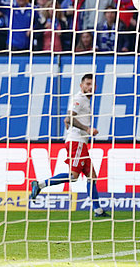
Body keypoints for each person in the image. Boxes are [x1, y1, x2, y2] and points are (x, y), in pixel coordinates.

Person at [31, 74, 109, 218]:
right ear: (81, 85)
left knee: (92, 176)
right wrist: (87, 129)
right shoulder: (80, 98)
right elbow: (70, 117)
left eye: (92, 84)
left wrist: (68, 121)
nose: (90, 87)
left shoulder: (84, 99)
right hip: (76, 142)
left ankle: (98, 211)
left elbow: (68, 118)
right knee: (73, 176)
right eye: (87, 84)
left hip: (81, 143)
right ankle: (40, 184)